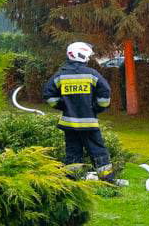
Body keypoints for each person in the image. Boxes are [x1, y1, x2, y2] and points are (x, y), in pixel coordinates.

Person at [42, 42, 114, 182]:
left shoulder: (60, 75)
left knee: (73, 152)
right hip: (89, 123)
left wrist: (62, 106)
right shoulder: (92, 74)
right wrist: (97, 108)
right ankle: (108, 180)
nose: (88, 59)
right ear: (82, 55)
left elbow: (48, 95)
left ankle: (71, 180)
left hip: (69, 124)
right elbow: (105, 93)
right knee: (98, 151)